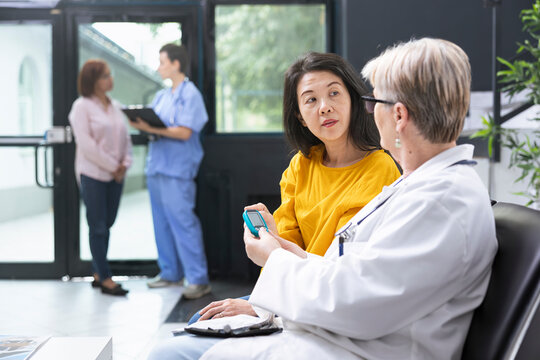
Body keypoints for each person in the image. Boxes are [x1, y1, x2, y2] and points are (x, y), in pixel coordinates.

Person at [154, 38, 499, 359]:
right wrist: (284, 252)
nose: (368, 111)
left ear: (398, 115)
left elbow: (354, 303)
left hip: (346, 346)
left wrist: (274, 260)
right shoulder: (425, 187)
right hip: (327, 331)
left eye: (372, 101)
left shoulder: (438, 202)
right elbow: (354, 273)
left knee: (167, 354)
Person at [148, 51, 401, 358]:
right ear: (299, 115)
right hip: (290, 291)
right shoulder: (301, 166)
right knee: (199, 320)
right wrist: (269, 241)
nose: (325, 107)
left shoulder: (380, 168)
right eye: (310, 100)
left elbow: (342, 271)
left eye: (334, 93)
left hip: (327, 304)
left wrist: (261, 307)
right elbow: (285, 246)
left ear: (352, 99)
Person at [129, 44, 210, 299]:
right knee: (161, 223)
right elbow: (157, 124)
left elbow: (184, 132)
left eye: (162, 62)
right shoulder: (162, 96)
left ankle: (198, 279)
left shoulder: (191, 94)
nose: (158, 67)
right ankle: (170, 273)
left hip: (178, 169)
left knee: (183, 223)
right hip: (157, 167)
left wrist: (153, 129)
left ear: (176, 64)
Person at [69, 59, 132, 296]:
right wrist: (112, 166)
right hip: (93, 174)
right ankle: (105, 278)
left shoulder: (115, 106)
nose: (110, 79)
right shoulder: (81, 107)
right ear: (92, 81)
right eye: (105, 76)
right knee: (97, 226)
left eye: (110, 74)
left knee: (108, 222)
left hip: (116, 174)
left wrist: (124, 164)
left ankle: (97, 272)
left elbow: (126, 138)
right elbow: (86, 145)